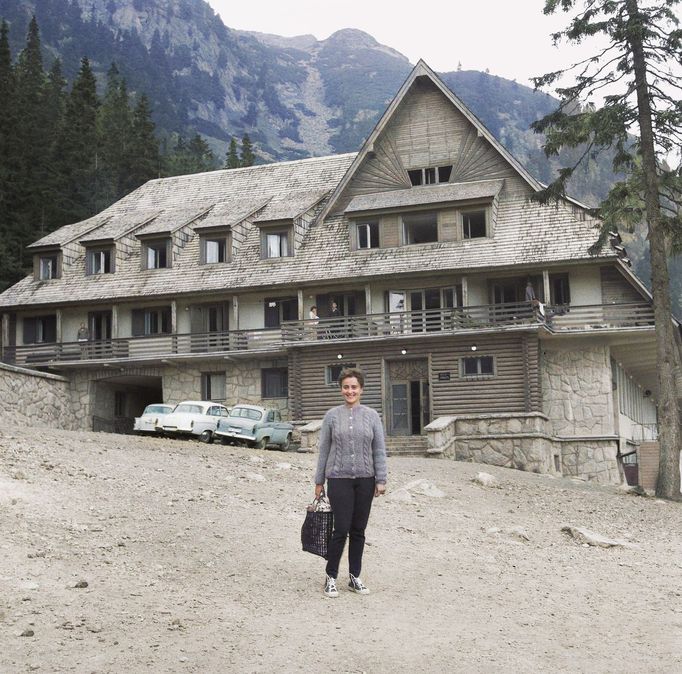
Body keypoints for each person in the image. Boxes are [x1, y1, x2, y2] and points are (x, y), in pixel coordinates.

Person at [314, 367, 387, 598]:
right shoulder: (332, 416)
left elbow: (379, 450)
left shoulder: (372, 416)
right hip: (338, 479)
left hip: (366, 479)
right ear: (341, 389)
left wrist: (381, 479)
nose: (350, 391)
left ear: (361, 389)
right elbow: (324, 450)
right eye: (346, 387)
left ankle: (355, 577)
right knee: (341, 529)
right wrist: (319, 481)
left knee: (358, 531)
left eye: (354, 387)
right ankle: (331, 577)